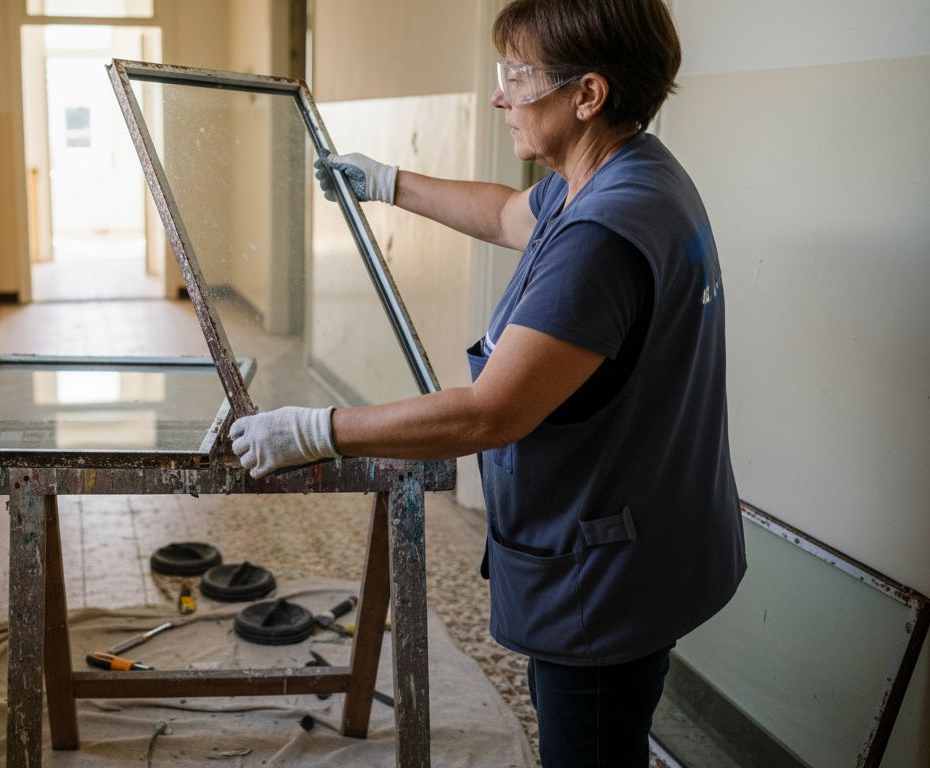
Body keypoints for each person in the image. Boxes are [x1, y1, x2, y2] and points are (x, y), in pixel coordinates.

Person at [228, 0, 746, 764]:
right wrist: (389, 181)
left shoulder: (600, 240)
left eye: (518, 75)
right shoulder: (632, 174)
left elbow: (487, 415)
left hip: (604, 575)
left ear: (588, 94)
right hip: (652, 539)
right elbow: (508, 213)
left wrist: (312, 431)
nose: (500, 95)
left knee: (591, 745)